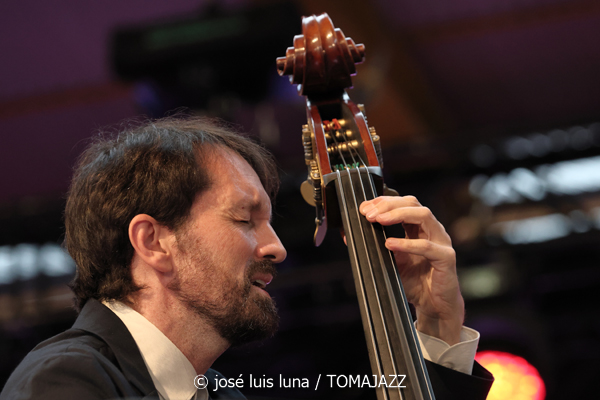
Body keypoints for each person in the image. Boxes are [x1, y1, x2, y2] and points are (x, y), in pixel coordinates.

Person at [0, 117, 493, 400]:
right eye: (244, 219)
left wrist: (436, 325)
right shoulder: (66, 383)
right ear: (152, 242)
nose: (277, 246)